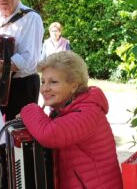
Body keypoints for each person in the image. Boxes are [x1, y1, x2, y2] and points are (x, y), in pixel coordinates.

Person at [20, 51, 123, 188]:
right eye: (43, 81)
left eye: (53, 82)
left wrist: (29, 109)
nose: (44, 89)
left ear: (74, 86)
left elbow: (49, 134)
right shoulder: (65, 110)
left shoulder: (88, 111)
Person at [0, 0, 44, 189]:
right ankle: (4, 183)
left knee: (17, 142)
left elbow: (30, 60)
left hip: (21, 86)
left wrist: (5, 66)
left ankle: (18, 184)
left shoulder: (31, 18)